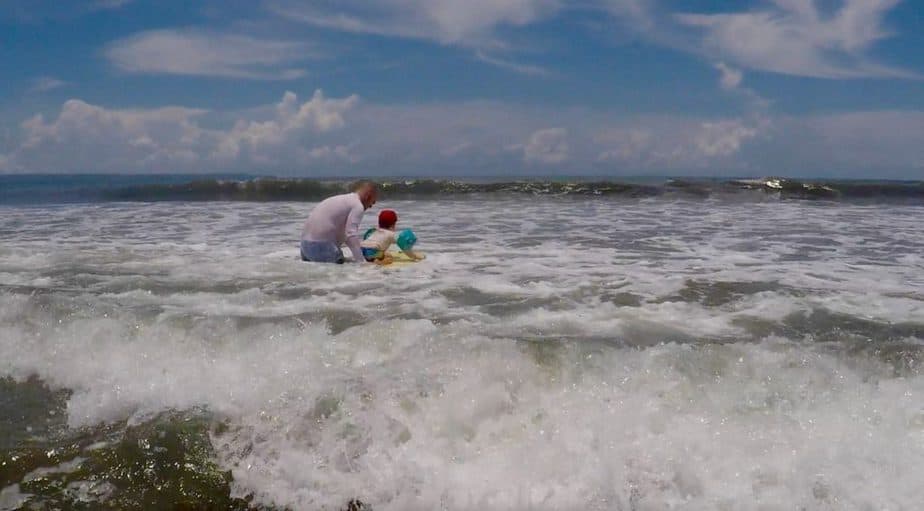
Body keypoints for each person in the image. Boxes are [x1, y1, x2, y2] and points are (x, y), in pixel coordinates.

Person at [300, 182, 377, 264]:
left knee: (344, 264)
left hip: (304, 247)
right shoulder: (357, 205)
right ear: (368, 196)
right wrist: (362, 261)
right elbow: (351, 235)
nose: (371, 206)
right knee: (348, 269)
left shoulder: (342, 199)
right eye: (372, 202)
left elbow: (346, 236)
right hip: (321, 247)